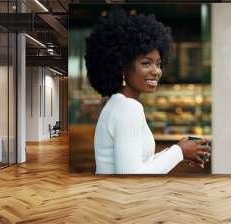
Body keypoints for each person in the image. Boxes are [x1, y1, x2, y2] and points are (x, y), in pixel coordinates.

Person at [85, 8, 210, 174]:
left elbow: (141, 164)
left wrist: (179, 149)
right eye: (146, 63)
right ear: (123, 67)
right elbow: (131, 176)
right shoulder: (128, 108)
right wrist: (179, 152)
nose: (156, 71)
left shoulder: (116, 104)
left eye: (158, 64)